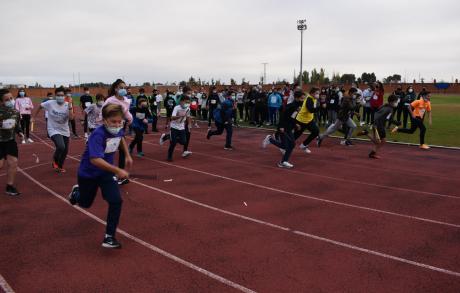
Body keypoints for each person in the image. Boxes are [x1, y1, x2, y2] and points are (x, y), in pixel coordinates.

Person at [68, 104, 133, 249]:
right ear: (104, 121)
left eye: (119, 122)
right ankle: (77, 193)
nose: (117, 125)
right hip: (88, 174)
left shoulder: (118, 129)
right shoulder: (97, 135)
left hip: (106, 174)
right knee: (85, 204)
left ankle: (109, 237)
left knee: (116, 201)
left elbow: (121, 137)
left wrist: (128, 155)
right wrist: (117, 169)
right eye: (113, 122)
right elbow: (95, 160)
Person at [32, 86, 73, 173]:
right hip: (53, 129)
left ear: (65, 96)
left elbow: (71, 118)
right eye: (58, 95)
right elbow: (40, 106)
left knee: (65, 151)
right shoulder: (50, 103)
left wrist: (69, 107)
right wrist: (33, 117)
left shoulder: (67, 104)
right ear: (55, 95)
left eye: (62, 95)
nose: (60, 97)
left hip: (65, 129)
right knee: (61, 146)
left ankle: (59, 166)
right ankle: (55, 160)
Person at [262, 90, 304, 168]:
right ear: (296, 98)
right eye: (302, 98)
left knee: (290, 144)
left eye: (303, 98)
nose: (303, 100)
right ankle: (270, 140)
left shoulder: (299, 106)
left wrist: (296, 124)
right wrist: (281, 126)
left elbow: (292, 117)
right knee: (288, 145)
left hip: (289, 127)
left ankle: (283, 161)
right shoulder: (291, 106)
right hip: (283, 127)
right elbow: (283, 115)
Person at [103, 79, 133, 185]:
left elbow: (126, 112)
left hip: (120, 127)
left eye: (125, 88)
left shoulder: (126, 100)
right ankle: (105, 174)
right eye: (121, 88)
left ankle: (120, 175)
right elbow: (103, 113)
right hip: (109, 128)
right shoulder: (110, 100)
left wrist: (130, 119)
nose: (123, 89)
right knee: (108, 151)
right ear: (116, 89)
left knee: (122, 150)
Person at [0, 89, 24, 196]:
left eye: (11, 98)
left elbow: (17, 125)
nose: (10, 101)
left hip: (10, 141)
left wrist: (19, 132)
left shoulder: (16, 112)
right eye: (7, 99)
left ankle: (9, 186)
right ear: (1, 102)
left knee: (13, 162)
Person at [293, 87, 320, 154]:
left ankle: (304, 145)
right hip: (301, 120)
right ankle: (283, 146)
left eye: (318, 93)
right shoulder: (309, 99)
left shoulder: (314, 99)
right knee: (295, 136)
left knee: (316, 131)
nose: (318, 95)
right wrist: (320, 107)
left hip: (309, 120)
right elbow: (310, 110)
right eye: (316, 93)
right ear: (312, 93)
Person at [165, 95, 192, 161]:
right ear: (181, 102)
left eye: (188, 102)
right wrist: (179, 116)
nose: (187, 104)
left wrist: (189, 124)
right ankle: (169, 156)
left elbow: (188, 117)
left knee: (183, 142)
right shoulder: (177, 108)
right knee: (173, 143)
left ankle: (168, 136)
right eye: (186, 102)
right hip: (174, 126)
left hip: (181, 127)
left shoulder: (188, 108)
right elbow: (172, 117)